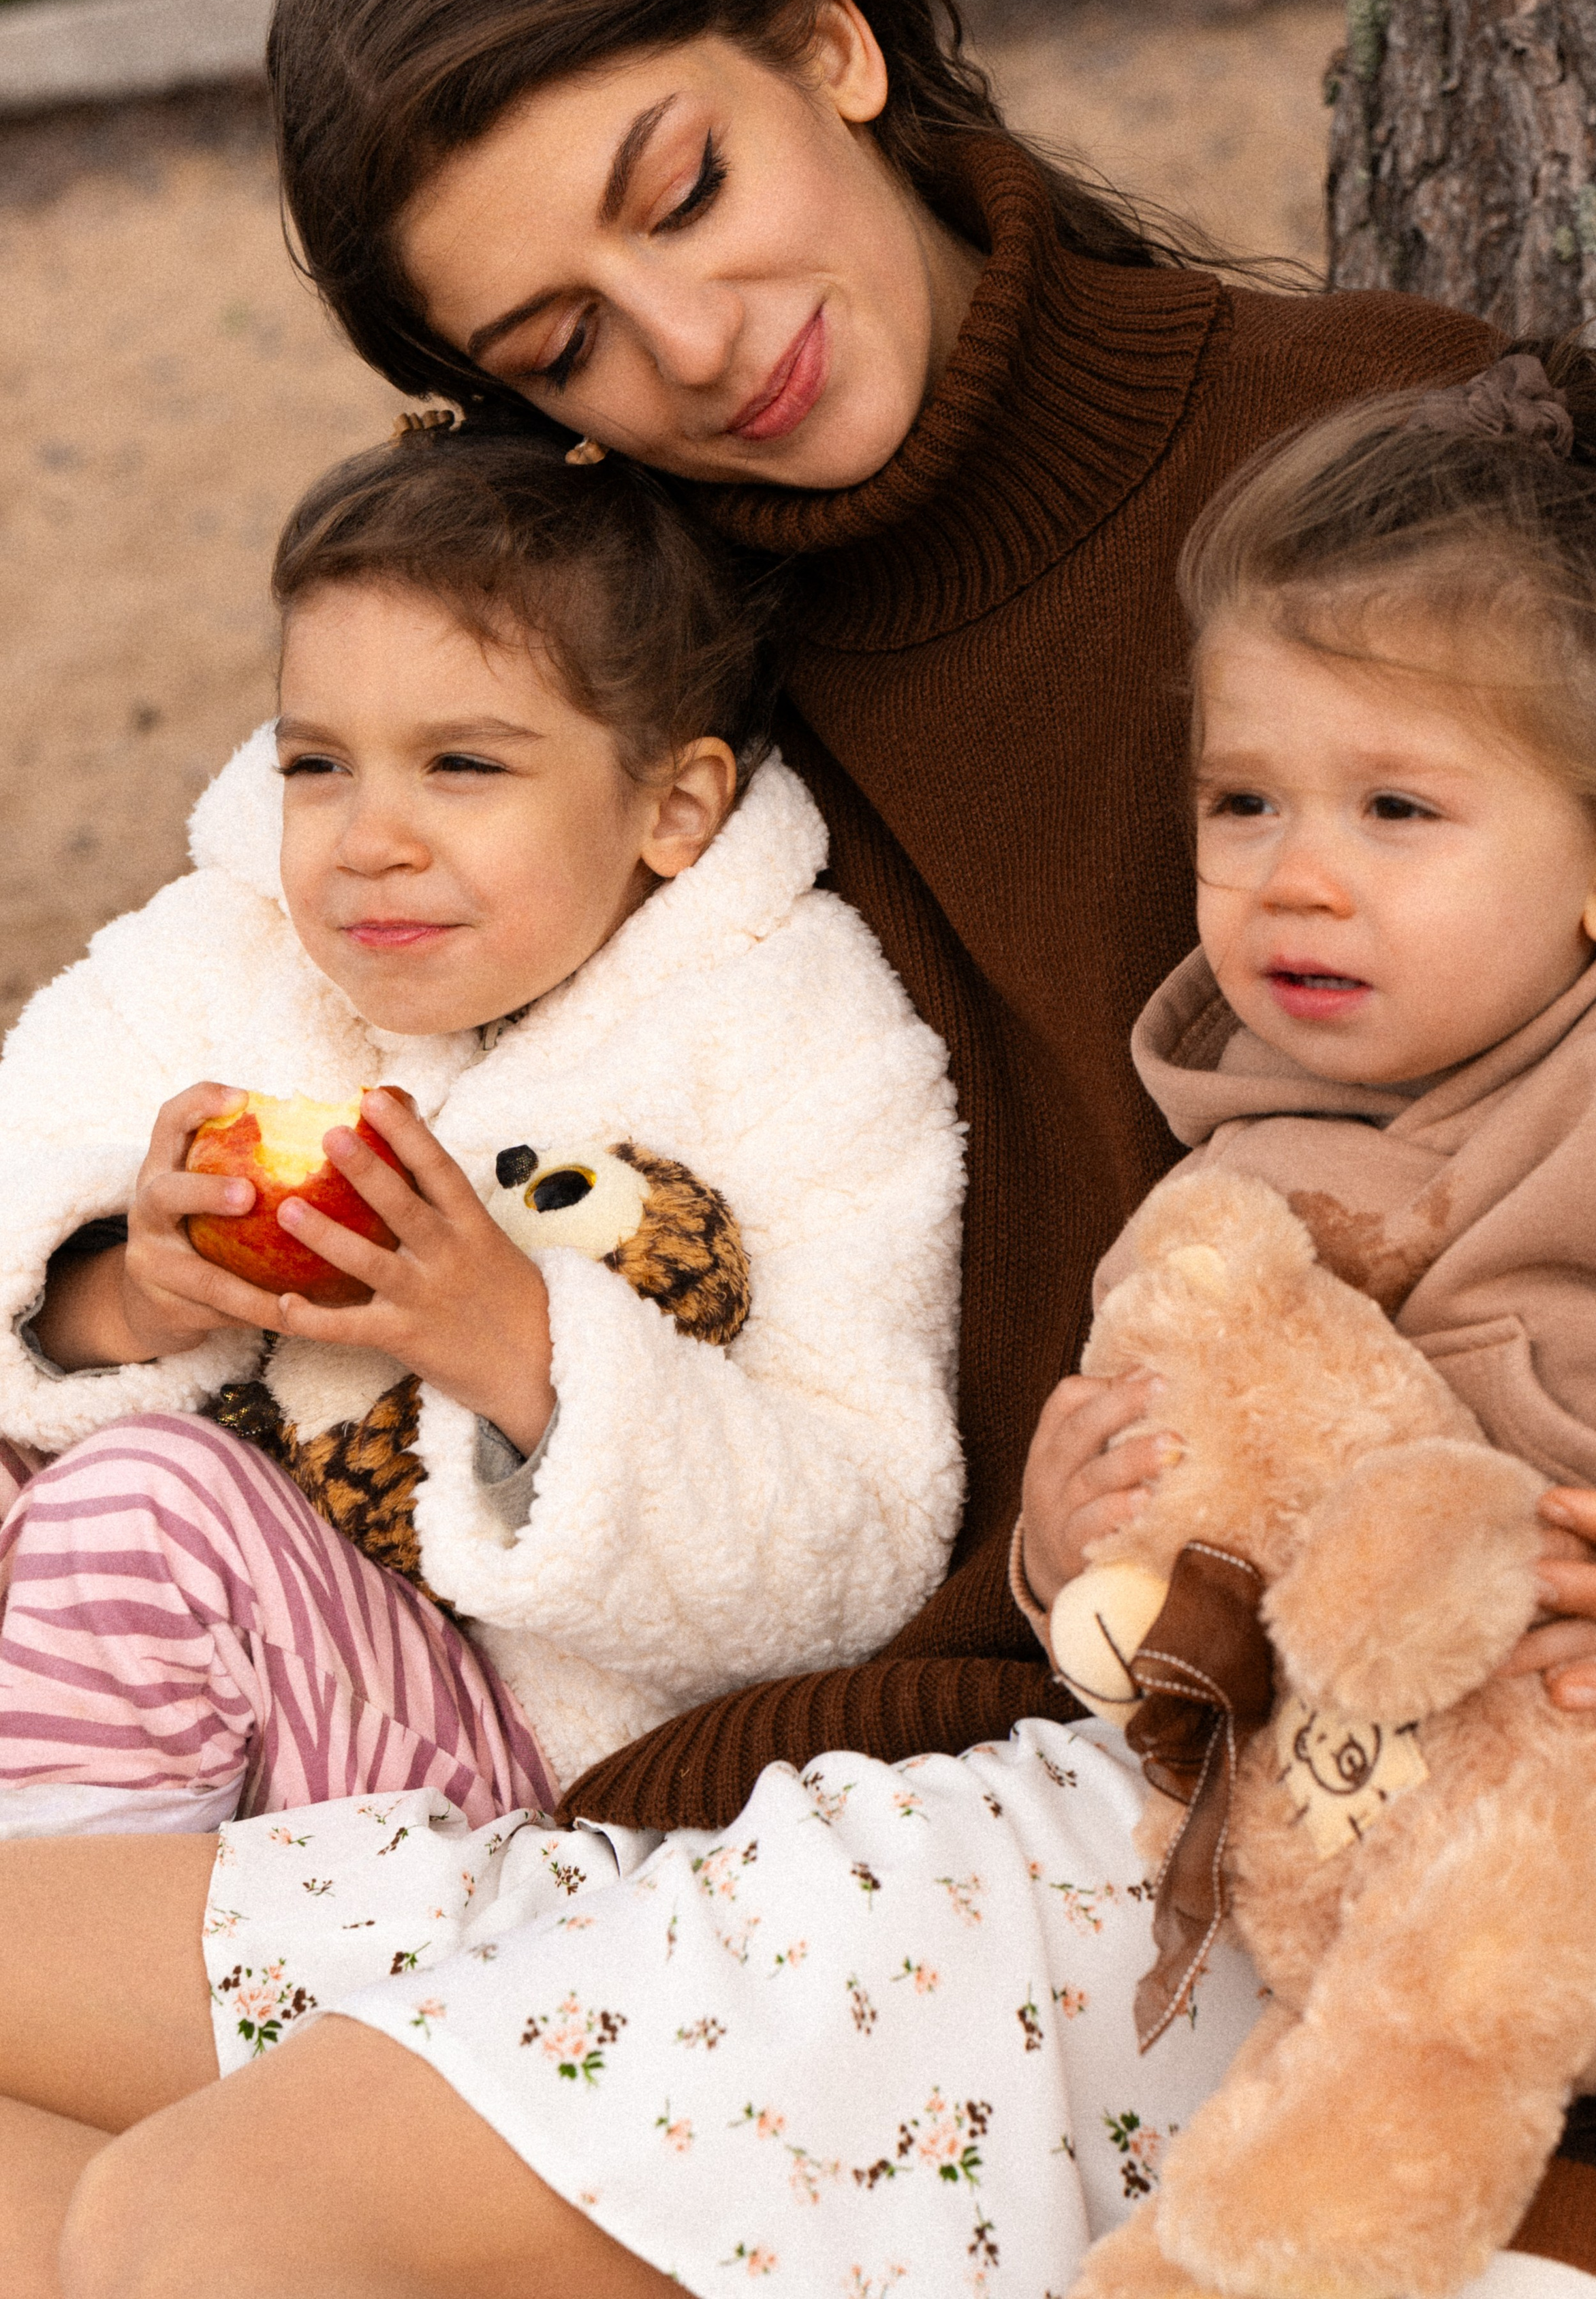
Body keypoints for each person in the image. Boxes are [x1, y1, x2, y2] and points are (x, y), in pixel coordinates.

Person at [5, 0, 1596, 2299]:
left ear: (831, 47)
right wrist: (128, 1258)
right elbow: (249, 947)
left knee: (210, 2226)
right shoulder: (646, 662)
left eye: (685, 192)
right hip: (775, 1787)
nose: (692, 344)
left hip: (1255, 1815)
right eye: (566, 344)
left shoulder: (1368, 463)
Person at [0, 426, 964, 1837]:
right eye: (317, 764)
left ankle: (62, 1944)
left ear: (672, 806)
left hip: (494, 1766)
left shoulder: (799, 1046)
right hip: (176, 1670)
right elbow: (27, 1180)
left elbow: (864, 1547)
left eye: (460, 763)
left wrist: (521, 1350)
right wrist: (130, 1294)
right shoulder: (217, 955)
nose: (367, 838)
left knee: (148, 1502)